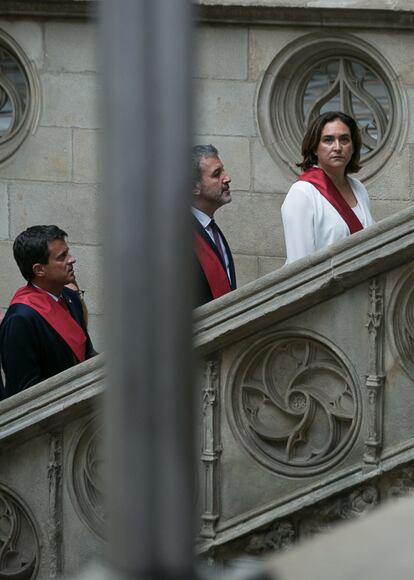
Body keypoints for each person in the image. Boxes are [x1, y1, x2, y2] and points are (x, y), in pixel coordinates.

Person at [0, 225, 96, 399]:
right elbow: (25, 390)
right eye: (62, 257)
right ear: (39, 270)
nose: (72, 259)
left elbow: (87, 353)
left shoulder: (70, 297)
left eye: (68, 252)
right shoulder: (20, 319)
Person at [281, 111, 374, 264]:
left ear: (353, 146)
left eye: (344, 140)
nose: (337, 147)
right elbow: (299, 266)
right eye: (328, 140)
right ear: (315, 148)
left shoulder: (359, 188)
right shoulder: (302, 193)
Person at [192, 144, 236, 307]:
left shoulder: (211, 229)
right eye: (217, 174)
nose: (227, 178)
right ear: (194, 187)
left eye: (223, 170)